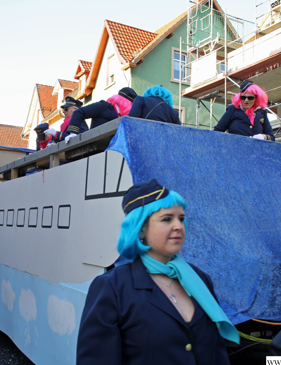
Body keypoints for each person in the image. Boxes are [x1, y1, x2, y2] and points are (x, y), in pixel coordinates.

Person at [77, 179, 238, 365]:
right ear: (141, 229)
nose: (178, 226)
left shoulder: (200, 279)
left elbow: (217, 353)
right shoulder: (112, 288)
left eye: (181, 218)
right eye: (167, 219)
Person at [45, 88, 137, 144]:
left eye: (66, 109)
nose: (64, 112)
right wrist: (73, 133)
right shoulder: (104, 106)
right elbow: (79, 112)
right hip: (98, 147)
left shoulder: (126, 118)